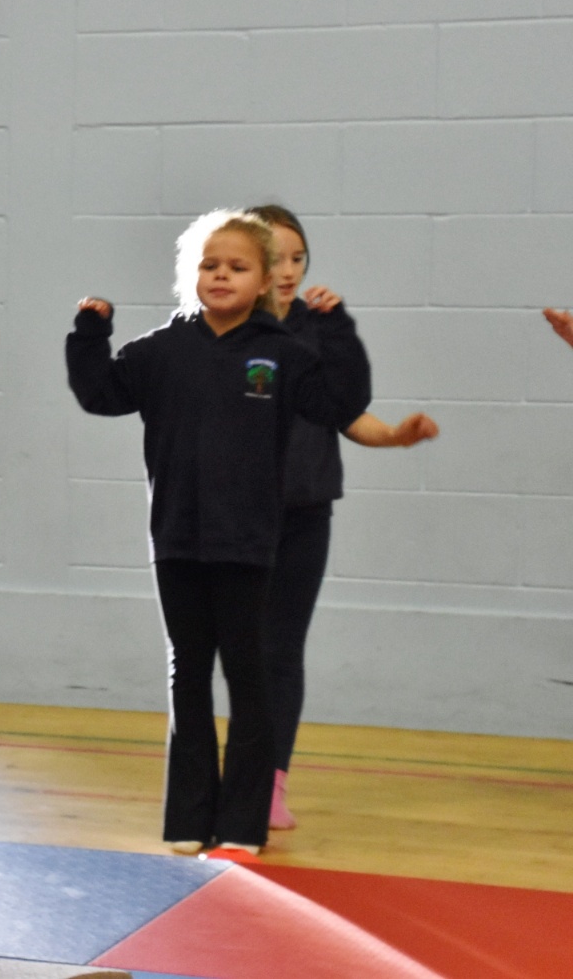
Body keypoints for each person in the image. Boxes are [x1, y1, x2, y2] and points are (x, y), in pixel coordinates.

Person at [66, 209, 371, 856]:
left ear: (262, 281)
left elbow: (341, 403)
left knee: (248, 676)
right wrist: (90, 333)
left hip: (249, 543)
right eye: (210, 266)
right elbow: (100, 394)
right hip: (177, 538)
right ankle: (188, 817)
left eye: (237, 267)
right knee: (187, 674)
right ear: (192, 275)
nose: (222, 276)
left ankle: (240, 825)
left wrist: (338, 330)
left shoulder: (281, 354)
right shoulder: (160, 351)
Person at [246, 205, 439, 830]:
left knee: (282, 650)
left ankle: (271, 783)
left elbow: (347, 414)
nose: (288, 271)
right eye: (274, 258)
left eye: (298, 258)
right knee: (239, 651)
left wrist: (396, 436)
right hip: (237, 517)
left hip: (305, 515)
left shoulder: (319, 328)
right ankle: (228, 775)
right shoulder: (225, 332)